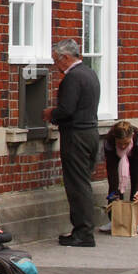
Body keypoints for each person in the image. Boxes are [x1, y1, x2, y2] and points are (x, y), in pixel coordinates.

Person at [42, 38, 101, 247]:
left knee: (77, 186)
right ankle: (84, 230)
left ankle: (83, 233)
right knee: (83, 183)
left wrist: (51, 114)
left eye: (57, 61)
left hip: (77, 136)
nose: (57, 66)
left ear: (66, 57)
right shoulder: (90, 73)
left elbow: (67, 109)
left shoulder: (72, 78)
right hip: (91, 133)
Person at [99, 121, 138, 235]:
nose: (122, 146)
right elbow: (111, 168)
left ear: (131, 137)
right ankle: (114, 221)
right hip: (117, 160)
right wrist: (115, 189)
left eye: (125, 143)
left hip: (137, 158)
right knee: (114, 187)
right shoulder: (109, 141)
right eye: (120, 143)